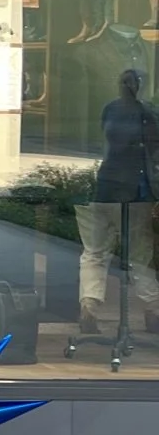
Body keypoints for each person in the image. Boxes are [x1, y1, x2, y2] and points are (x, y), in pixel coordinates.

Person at [75, 67, 159, 333]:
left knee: (94, 253)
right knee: (139, 255)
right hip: (136, 192)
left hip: (105, 187)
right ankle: (153, 310)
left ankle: (89, 305)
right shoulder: (149, 114)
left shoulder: (110, 109)